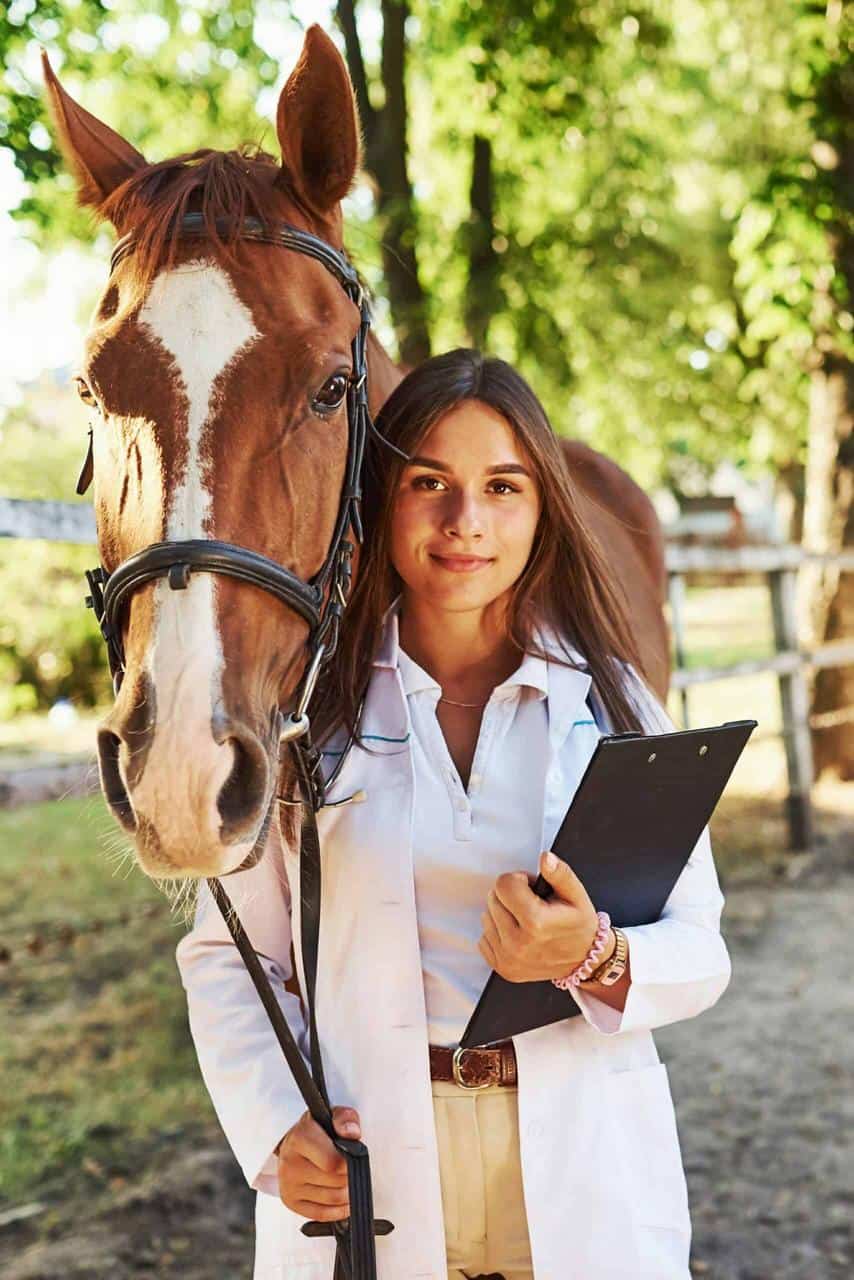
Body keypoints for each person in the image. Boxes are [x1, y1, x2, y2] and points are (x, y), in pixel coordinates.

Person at [176, 348, 732, 1280]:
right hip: (375, 1164)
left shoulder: (614, 704)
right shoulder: (307, 715)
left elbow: (702, 948)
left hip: (575, 1163)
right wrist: (274, 1123)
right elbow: (231, 953)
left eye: (503, 486)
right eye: (428, 481)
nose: (465, 522)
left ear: (542, 507)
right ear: (381, 498)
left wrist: (594, 958)